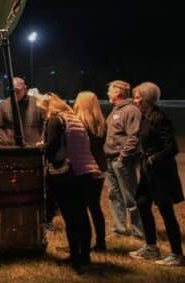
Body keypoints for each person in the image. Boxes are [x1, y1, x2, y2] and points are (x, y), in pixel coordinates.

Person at [40, 93, 101, 272]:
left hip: (67, 174)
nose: (42, 114)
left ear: (48, 107)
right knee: (82, 217)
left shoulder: (55, 120)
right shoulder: (74, 119)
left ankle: (75, 258)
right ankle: (85, 256)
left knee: (71, 219)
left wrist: (41, 150)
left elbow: (51, 146)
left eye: (42, 110)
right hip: (86, 171)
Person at [128, 82, 185, 266]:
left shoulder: (159, 118)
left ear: (147, 99)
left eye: (137, 97)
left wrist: (154, 157)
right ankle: (151, 247)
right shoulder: (145, 117)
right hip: (148, 171)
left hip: (161, 173)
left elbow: (172, 147)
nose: (135, 101)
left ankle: (178, 254)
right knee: (142, 203)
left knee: (166, 211)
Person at [103, 79, 144, 239]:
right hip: (110, 159)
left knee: (130, 197)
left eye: (110, 90)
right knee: (114, 195)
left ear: (118, 92)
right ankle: (120, 229)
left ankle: (138, 233)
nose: (107, 93)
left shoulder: (130, 111)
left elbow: (134, 136)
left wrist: (123, 156)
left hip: (122, 161)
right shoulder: (115, 110)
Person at [74, 91, 107, 251]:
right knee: (95, 207)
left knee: (80, 207)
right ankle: (101, 242)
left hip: (85, 167)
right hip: (99, 167)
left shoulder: (80, 123)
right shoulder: (101, 122)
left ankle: (81, 242)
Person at [0, 77, 44, 146]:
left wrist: (42, 140)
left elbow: (45, 122)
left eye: (17, 91)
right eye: (12, 91)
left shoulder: (37, 103)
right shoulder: (3, 105)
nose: (14, 94)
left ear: (24, 89)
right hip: (12, 147)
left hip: (34, 146)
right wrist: (6, 140)